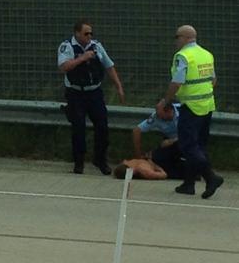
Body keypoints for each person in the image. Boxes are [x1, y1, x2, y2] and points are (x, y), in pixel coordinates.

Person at [157, 25, 223, 199]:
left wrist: (167, 100)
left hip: (191, 107)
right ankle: (189, 184)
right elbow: (213, 80)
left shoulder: (183, 56)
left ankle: (211, 177)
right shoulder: (206, 54)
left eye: (176, 37)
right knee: (199, 145)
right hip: (207, 105)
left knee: (188, 145)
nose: (175, 40)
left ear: (185, 38)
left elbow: (177, 82)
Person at [58, 20, 125, 175]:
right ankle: (79, 162)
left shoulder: (96, 46)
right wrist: (82, 58)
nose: (89, 36)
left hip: (94, 92)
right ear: (77, 33)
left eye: (91, 33)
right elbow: (63, 67)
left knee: (102, 126)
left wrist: (119, 86)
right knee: (78, 128)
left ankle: (100, 159)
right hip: (75, 93)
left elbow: (109, 66)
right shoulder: (67, 46)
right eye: (85, 33)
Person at [133, 103, 185, 179]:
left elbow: (194, 131)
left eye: (161, 115)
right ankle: (171, 174)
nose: (158, 117)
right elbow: (136, 131)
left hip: (187, 140)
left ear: (169, 111)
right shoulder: (156, 116)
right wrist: (138, 154)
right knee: (154, 158)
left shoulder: (183, 111)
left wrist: (172, 141)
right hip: (170, 143)